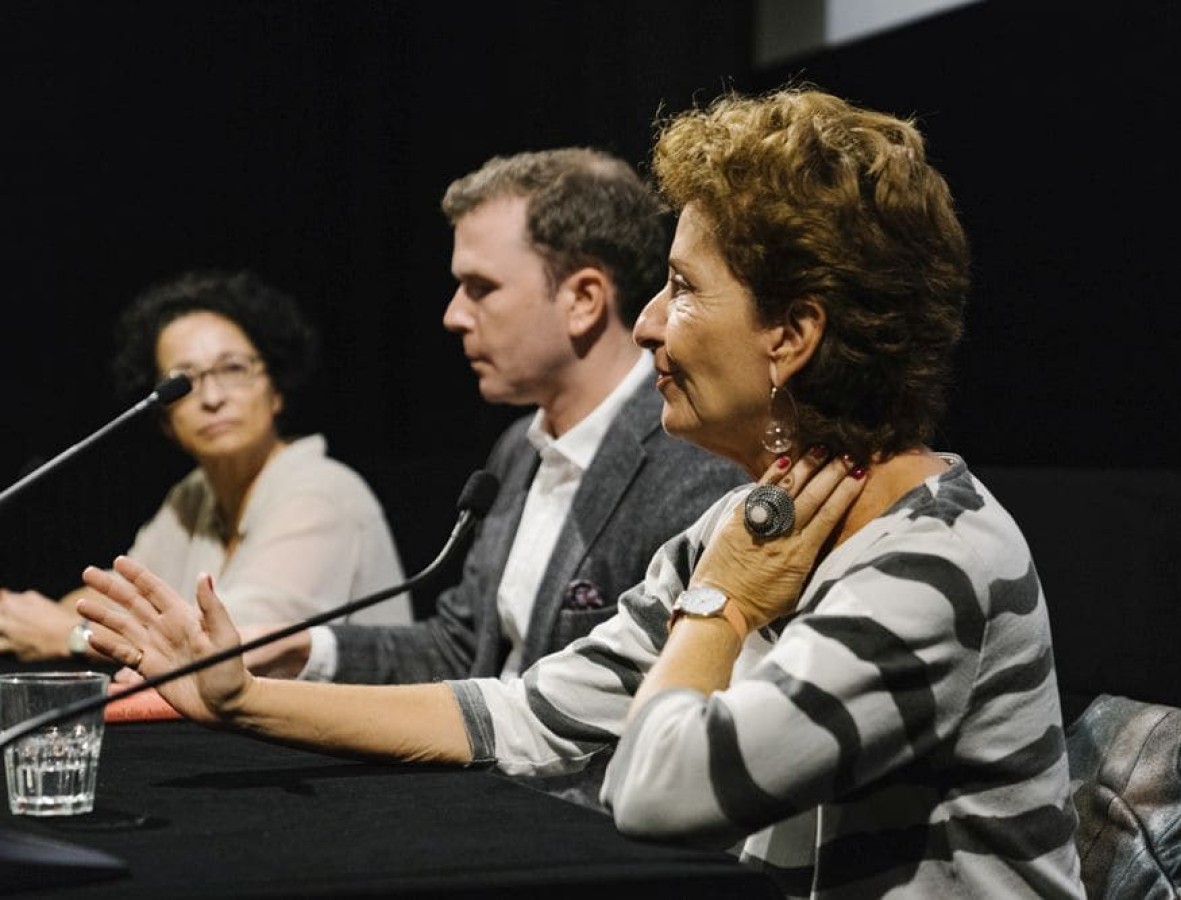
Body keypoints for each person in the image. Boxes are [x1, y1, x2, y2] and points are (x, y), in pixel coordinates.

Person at [78, 85, 1085, 898]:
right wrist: (246, 698)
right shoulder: (741, 526)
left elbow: (663, 791)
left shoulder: (931, 557)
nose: (648, 323)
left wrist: (722, 605)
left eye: (684, 288)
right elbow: (522, 715)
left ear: (792, 334)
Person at [240, 147, 747, 685]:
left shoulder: (696, 460)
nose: (453, 315)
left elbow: (654, 702)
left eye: (480, 289)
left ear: (583, 298)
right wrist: (299, 649)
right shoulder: (518, 448)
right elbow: (463, 649)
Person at [0, 269, 411, 662]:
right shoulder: (192, 497)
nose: (212, 397)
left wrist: (71, 637)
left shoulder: (325, 492)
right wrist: (22, 617)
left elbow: (230, 649)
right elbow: (115, 596)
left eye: (233, 369)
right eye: (185, 381)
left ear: (276, 392)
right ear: (164, 420)